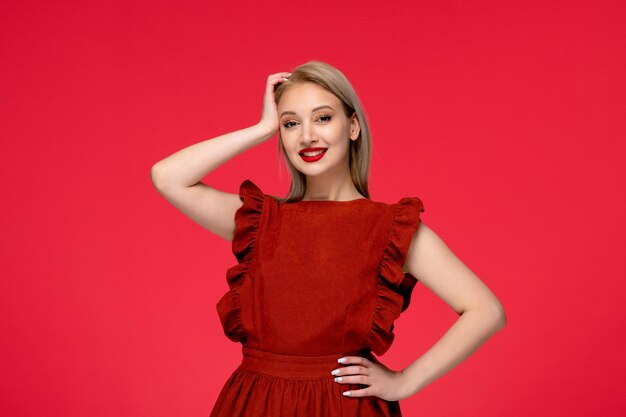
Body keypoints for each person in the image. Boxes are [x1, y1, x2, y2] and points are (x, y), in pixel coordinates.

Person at [150, 60, 506, 417]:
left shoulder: (390, 230)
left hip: (344, 406)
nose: (306, 136)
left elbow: (486, 311)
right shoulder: (260, 221)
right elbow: (167, 176)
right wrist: (262, 128)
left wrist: (405, 381)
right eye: (291, 124)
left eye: (322, 118)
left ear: (352, 126)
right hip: (255, 404)